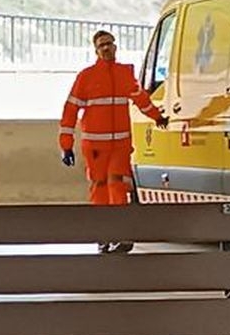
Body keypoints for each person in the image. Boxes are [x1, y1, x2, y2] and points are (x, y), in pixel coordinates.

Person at [59, 30, 168, 254]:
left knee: (118, 186)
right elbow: (71, 110)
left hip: (120, 145)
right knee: (100, 188)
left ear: (115, 46)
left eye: (109, 43)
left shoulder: (124, 74)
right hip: (96, 147)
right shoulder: (86, 77)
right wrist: (66, 145)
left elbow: (141, 99)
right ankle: (104, 236)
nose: (106, 48)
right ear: (96, 50)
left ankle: (121, 234)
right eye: (102, 45)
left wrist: (157, 117)